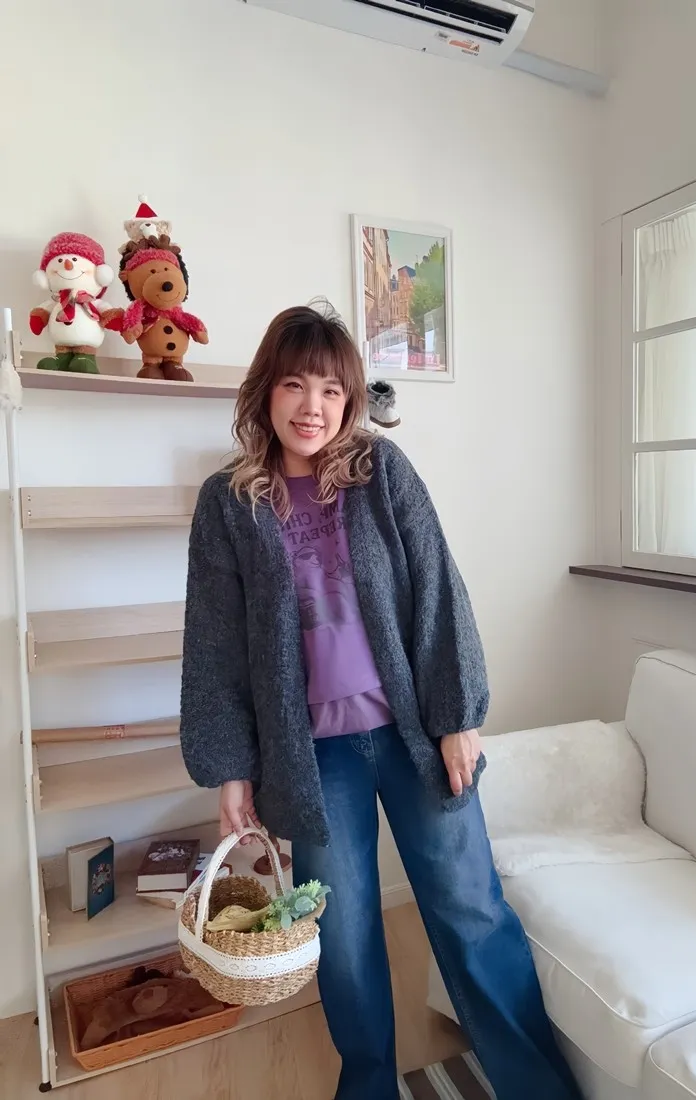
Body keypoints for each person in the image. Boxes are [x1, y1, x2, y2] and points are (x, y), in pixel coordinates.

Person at [179, 302, 581, 1100]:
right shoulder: (229, 503)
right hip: (312, 756)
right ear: (265, 391)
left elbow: (437, 589)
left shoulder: (381, 473)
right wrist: (232, 768)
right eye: (294, 385)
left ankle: (537, 1089)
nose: (312, 407)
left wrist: (458, 717)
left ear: (351, 399)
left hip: (414, 734)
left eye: (331, 390)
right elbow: (216, 644)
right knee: (346, 933)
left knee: (470, 911)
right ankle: (368, 1087)